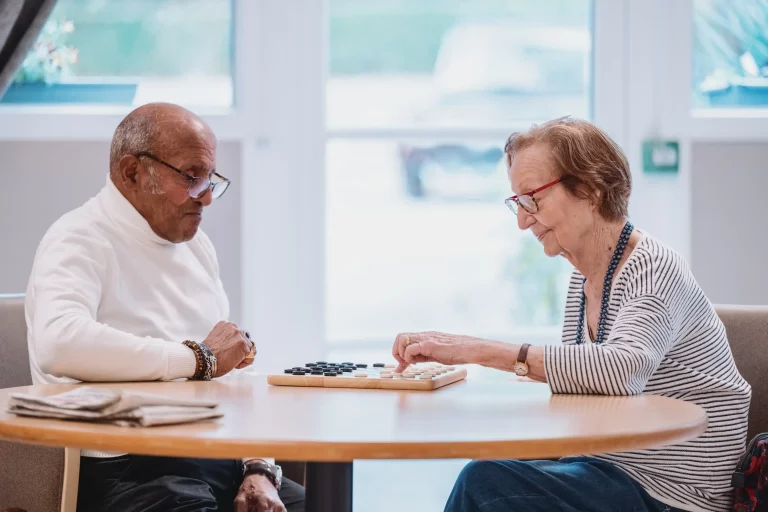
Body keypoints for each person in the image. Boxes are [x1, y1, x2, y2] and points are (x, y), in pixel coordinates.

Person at [392, 117, 751, 512]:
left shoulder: (654, 268)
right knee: (490, 471)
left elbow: (622, 370)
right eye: (518, 203)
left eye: (533, 199)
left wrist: (477, 351)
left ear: (591, 189)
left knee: (486, 483)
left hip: (673, 496)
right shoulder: (586, 281)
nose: (523, 221)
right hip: (611, 472)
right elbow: (585, 392)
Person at [26, 103, 304, 512]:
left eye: (212, 179)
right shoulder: (78, 238)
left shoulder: (197, 247)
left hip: (211, 457)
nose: (207, 197)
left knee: (317, 501)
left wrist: (258, 466)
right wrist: (199, 357)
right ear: (132, 172)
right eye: (193, 178)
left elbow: (227, 377)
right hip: (126, 469)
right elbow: (59, 342)